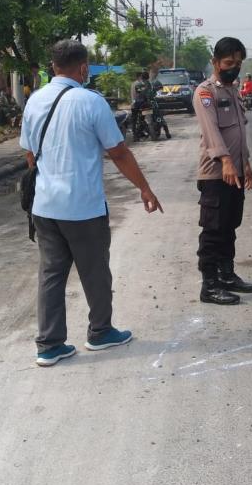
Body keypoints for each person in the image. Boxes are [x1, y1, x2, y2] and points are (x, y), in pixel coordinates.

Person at [20, 40, 163, 367]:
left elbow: (29, 155)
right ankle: (100, 332)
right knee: (95, 271)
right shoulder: (91, 102)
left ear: (53, 66)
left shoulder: (34, 101)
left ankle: (49, 345)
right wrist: (144, 188)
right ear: (83, 68)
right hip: (83, 207)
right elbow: (119, 152)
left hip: (44, 207)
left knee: (51, 274)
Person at [193, 37, 252, 305]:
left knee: (230, 225)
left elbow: (239, 132)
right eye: (229, 63)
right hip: (216, 174)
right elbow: (211, 132)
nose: (234, 68)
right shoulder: (205, 92)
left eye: (238, 63)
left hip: (236, 172)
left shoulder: (233, 90)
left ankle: (227, 275)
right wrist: (227, 162)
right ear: (215, 62)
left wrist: (246, 164)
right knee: (213, 230)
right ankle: (209, 285)